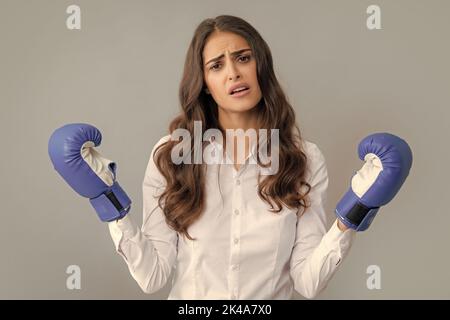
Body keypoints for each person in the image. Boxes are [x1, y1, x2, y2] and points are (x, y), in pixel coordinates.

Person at [48, 15, 412, 300]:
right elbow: (152, 277)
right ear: (204, 82)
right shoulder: (173, 154)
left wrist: (356, 211)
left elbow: (308, 282)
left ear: (260, 66)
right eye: (217, 65)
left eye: (242, 58)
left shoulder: (303, 158)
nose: (234, 72)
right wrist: (108, 200)